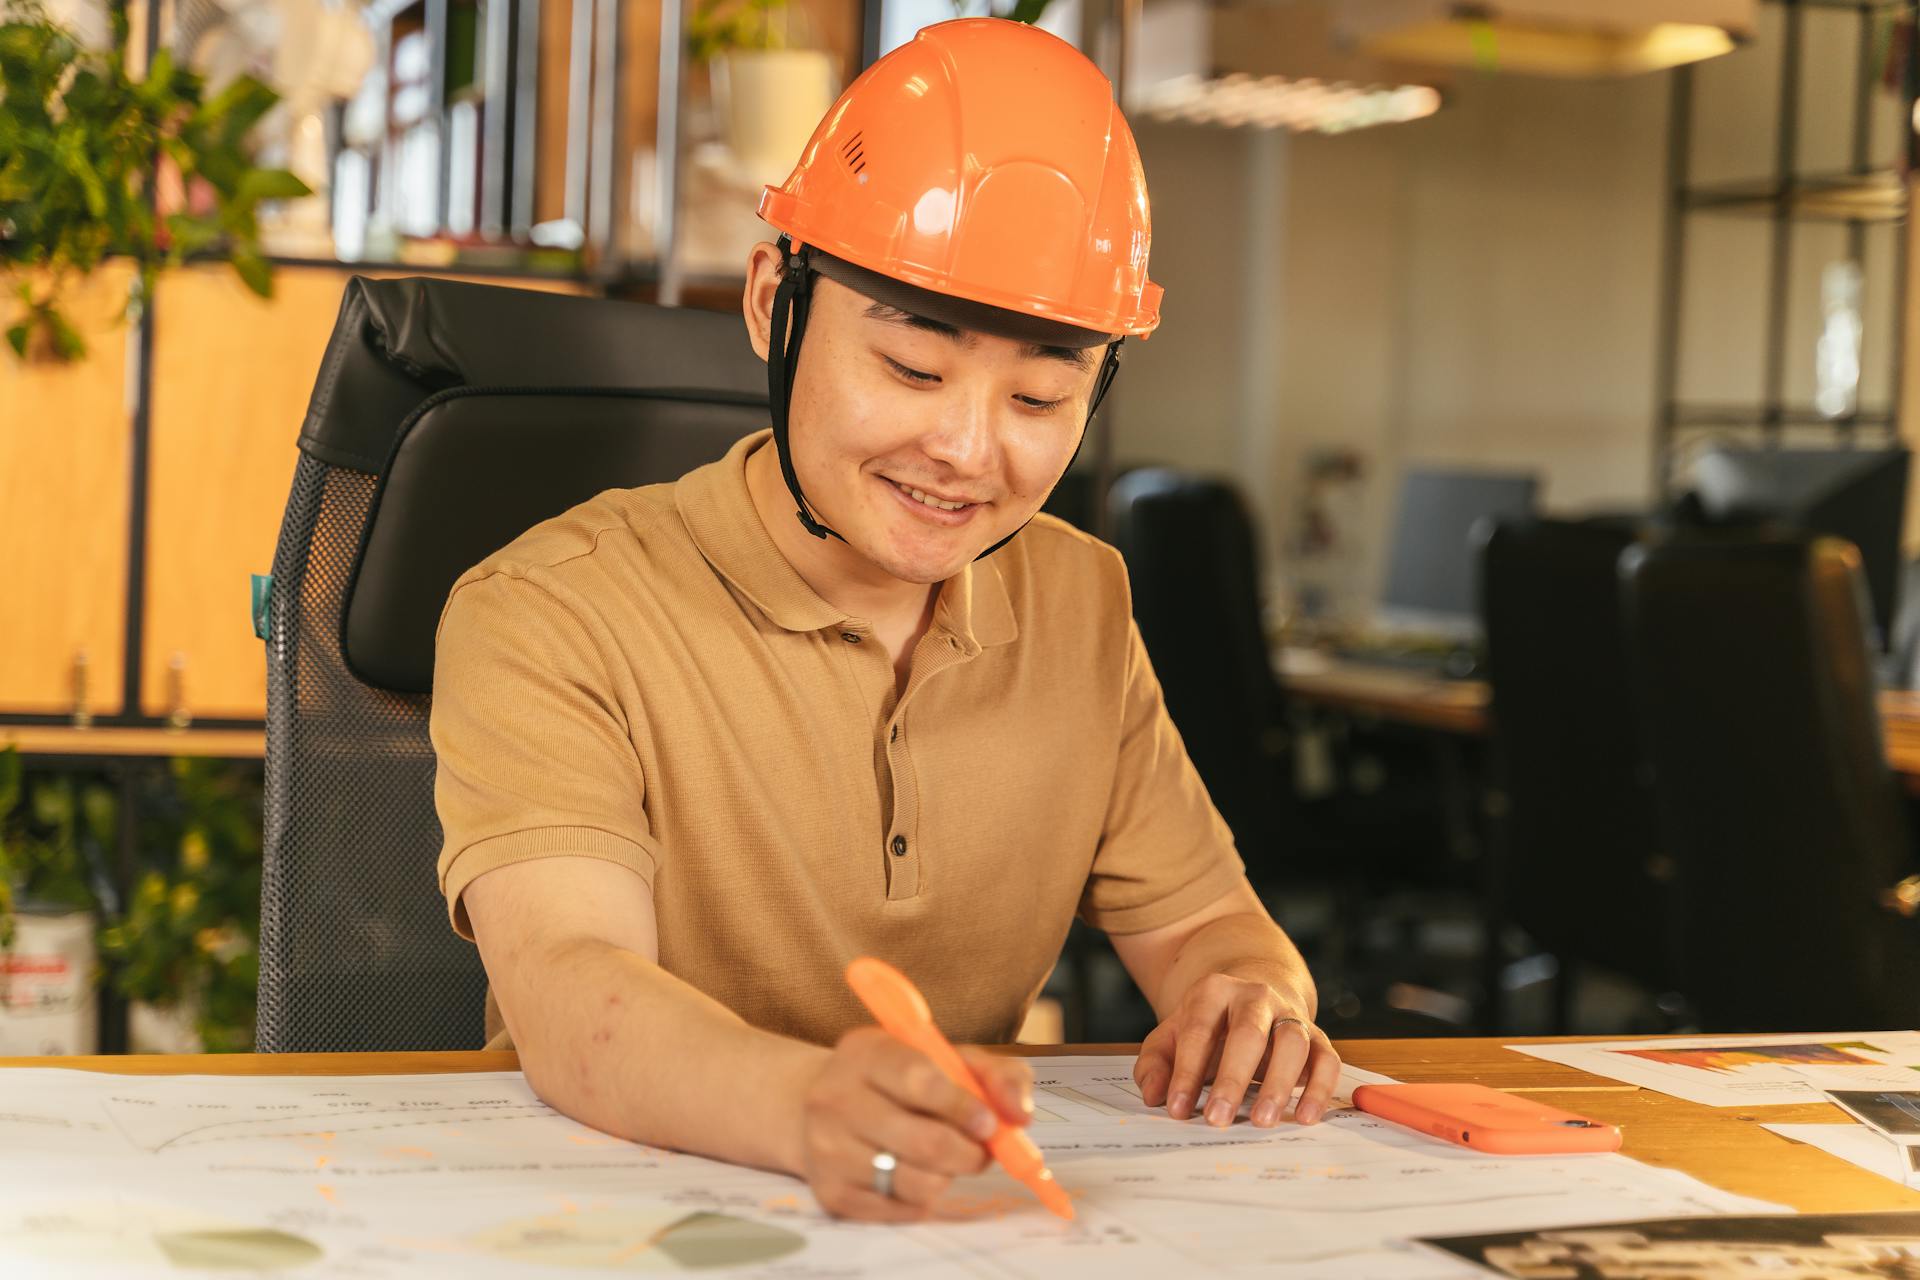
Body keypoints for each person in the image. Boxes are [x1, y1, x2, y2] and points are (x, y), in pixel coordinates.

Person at [428, 16, 1339, 1223]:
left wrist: (1253, 1000)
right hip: (612, 1220)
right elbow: (570, 985)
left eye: (1039, 394)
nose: (966, 449)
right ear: (773, 305)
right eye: (913, 369)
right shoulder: (550, 607)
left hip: (937, 1228)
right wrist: (812, 1105)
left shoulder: (1079, 599)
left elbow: (1212, 924)